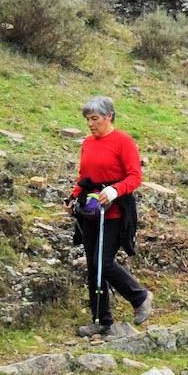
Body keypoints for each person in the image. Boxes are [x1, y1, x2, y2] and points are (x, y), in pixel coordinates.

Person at [68, 96, 152, 336]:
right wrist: (73, 198)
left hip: (115, 212)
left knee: (103, 263)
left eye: (95, 119)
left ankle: (140, 297)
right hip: (91, 212)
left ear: (109, 116)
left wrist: (115, 190)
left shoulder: (123, 142)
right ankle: (101, 319)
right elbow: (83, 176)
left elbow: (135, 176)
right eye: (87, 120)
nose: (91, 124)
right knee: (93, 266)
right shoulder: (87, 143)